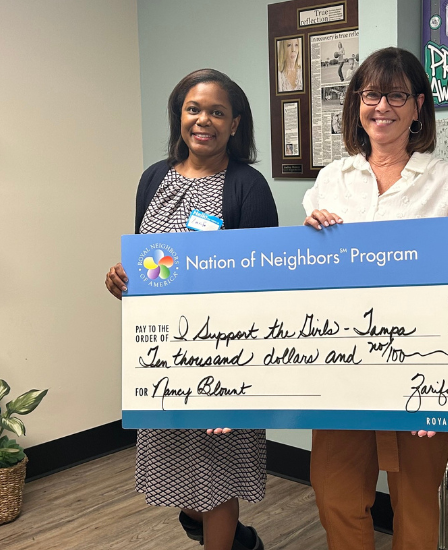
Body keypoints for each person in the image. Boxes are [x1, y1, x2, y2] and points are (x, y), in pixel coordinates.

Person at [301, 47, 448, 550]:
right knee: (335, 493)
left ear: (418, 106)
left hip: (423, 365)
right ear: (357, 104)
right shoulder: (330, 180)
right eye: (371, 94)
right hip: (342, 364)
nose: (382, 106)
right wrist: (307, 238)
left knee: (418, 500)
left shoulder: (444, 181)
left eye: (397, 95)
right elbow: (310, 272)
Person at [104, 69, 277, 550]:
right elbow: (148, 260)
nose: (204, 120)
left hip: (226, 352)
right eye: (193, 109)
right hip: (163, 353)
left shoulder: (247, 186)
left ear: (236, 124)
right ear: (179, 116)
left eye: (217, 112)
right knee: (181, 478)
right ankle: (242, 542)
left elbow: (265, 282)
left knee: (217, 475)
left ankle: (230, 541)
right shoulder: (153, 178)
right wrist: (125, 279)